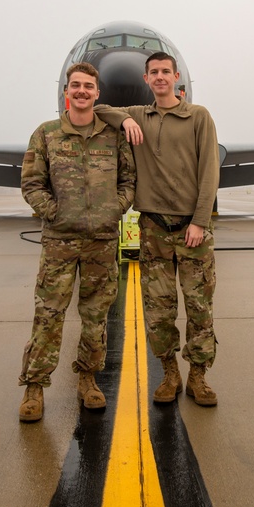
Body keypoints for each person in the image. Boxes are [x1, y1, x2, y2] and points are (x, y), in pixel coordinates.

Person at [94, 52, 220, 406]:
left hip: (192, 230)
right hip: (153, 229)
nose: (161, 77)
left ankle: (198, 376)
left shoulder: (198, 117)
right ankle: (170, 375)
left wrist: (199, 220)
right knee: (158, 311)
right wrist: (125, 121)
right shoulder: (139, 115)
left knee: (199, 308)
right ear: (146, 79)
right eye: (154, 73)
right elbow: (101, 108)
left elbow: (210, 172)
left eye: (166, 71)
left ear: (176, 77)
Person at [17, 62, 136, 423]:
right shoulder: (46, 134)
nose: (82, 91)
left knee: (95, 316)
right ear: (66, 91)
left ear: (97, 94)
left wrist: (111, 211)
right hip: (59, 242)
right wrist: (53, 213)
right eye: (75, 85)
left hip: (101, 241)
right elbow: (31, 184)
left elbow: (129, 182)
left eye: (88, 86)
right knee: (48, 315)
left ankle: (88, 378)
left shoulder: (113, 137)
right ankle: (34, 387)